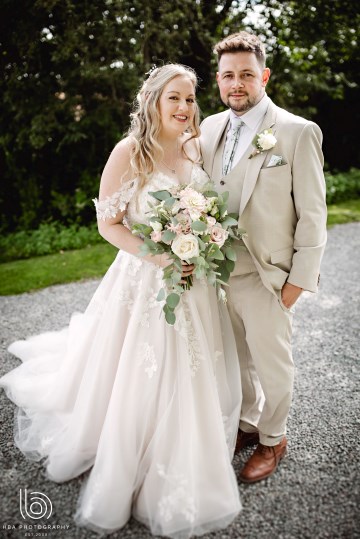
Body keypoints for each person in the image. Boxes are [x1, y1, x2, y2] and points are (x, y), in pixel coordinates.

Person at [0, 64, 242, 537]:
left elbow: (205, 209)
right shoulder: (130, 152)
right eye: (174, 97)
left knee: (194, 361)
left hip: (193, 281)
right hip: (145, 281)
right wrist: (161, 258)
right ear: (153, 100)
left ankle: (191, 442)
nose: (184, 107)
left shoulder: (195, 148)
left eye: (190, 99)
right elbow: (108, 225)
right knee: (138, 367)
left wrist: (202, 241)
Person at [200, 32, 327, 483]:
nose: (237, 84)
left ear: (264, 76)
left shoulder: (296, 132)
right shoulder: (208, 127)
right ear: (218, 79)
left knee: (274, 363)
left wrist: (300, 280)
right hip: (216, 270)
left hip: (267, 273)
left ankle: (274, 439)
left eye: (247, 75)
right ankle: (249, 423)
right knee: (236, 360)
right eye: (229, 75)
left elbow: (313, 213)